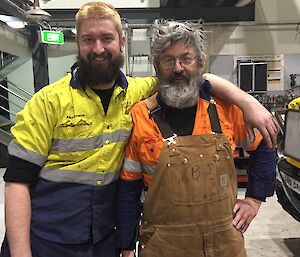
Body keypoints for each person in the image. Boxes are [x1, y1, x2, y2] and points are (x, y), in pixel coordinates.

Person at [1, 2, 277, 257]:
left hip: (104, 240)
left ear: (121, 43)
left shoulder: (142, 93)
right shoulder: (50, 102)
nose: (98, 48)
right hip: (49, 241)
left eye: (107, 38)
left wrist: (246, 101)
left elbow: (196, 79)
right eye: (88, 39)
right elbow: (16, 183)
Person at [116, 19, 276, 257]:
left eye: (186, 59)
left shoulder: (225, 109)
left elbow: (265, 143)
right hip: (162, 247)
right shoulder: (141, 116)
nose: (178, 68)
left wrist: (254, 199)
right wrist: (126, 246)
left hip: (224, 246)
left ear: (200, 63)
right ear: (156, 67)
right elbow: (129, 189)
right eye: (168, 60)